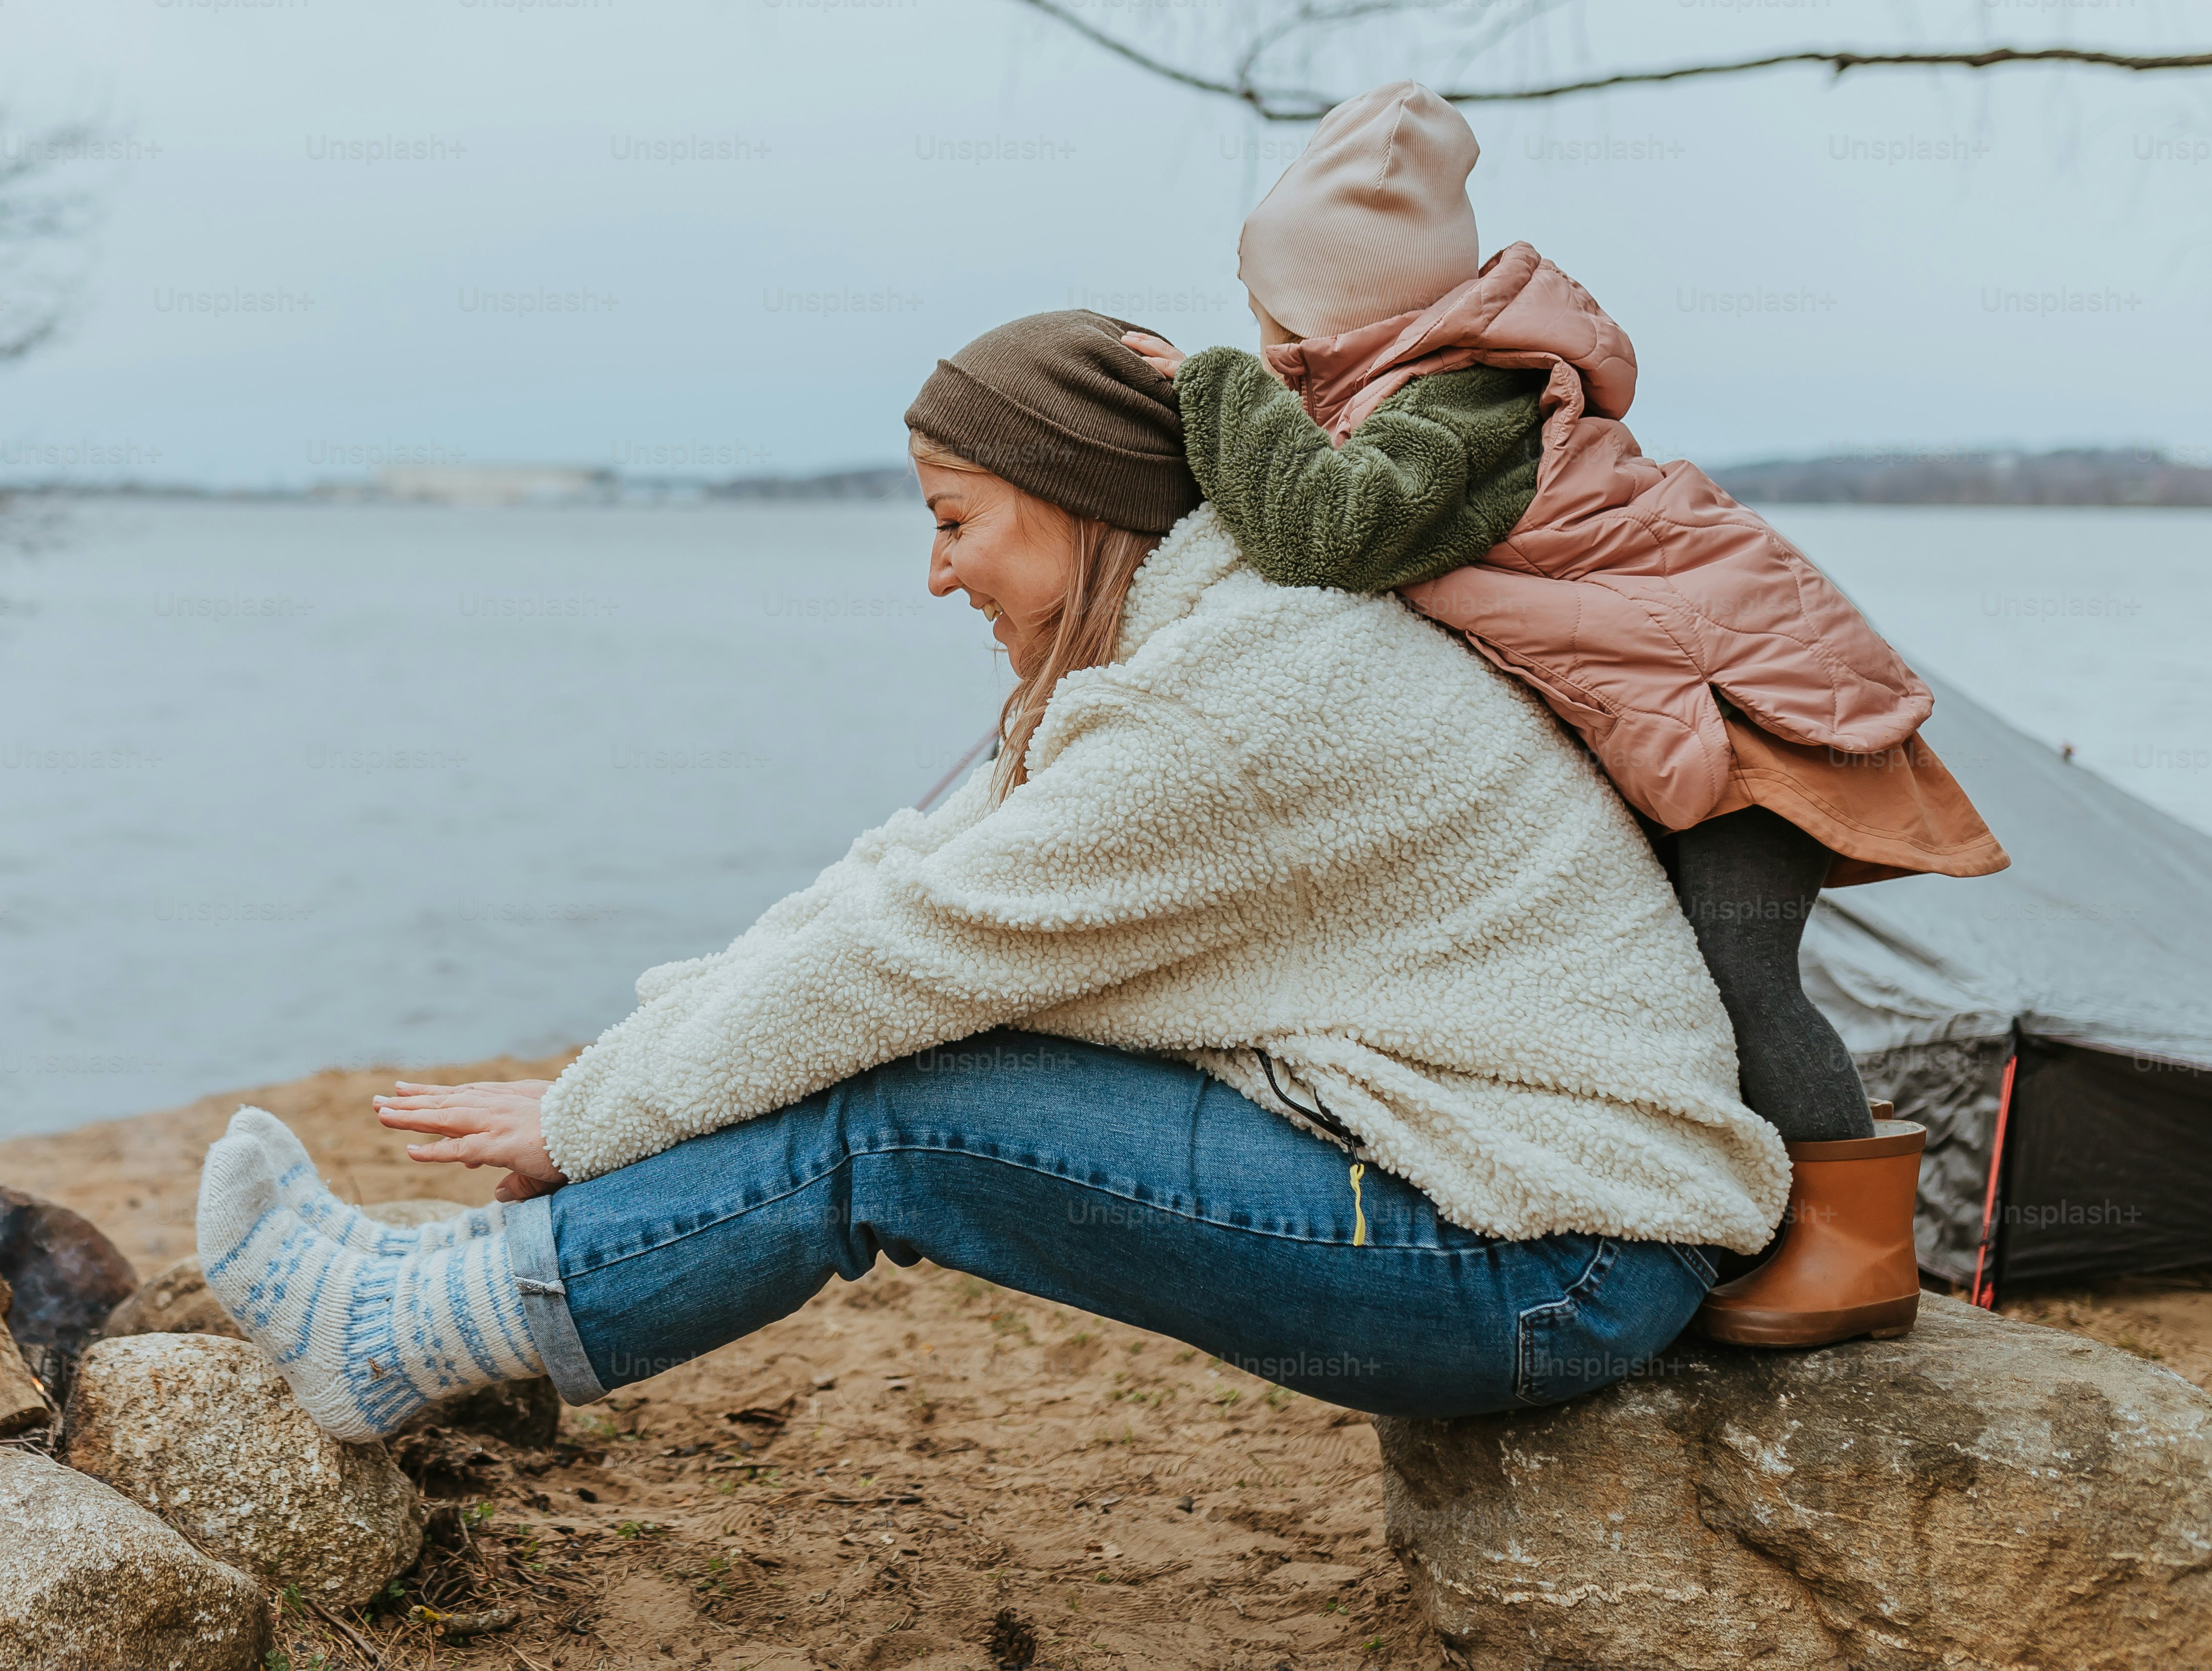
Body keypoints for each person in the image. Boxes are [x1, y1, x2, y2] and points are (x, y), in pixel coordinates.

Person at [195, 312, 1791, 1443]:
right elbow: (897, 876)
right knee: (870, 1058)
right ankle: (448, 1290)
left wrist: (588, 1115)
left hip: (1544, 1262)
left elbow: (904, 955)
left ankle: (412, 1331)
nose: (936, 568)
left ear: (1081, 495)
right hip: (1471, 1189)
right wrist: (618, 1078)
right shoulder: (1196, 643)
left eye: (957, 518)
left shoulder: (1236, 703)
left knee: (896, 1116)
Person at [1113, 82, 2001, 1349]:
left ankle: (1850, 1255)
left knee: (1740, 971)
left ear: (1336, 311)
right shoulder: (1418, 398)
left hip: (1750, 713)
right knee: (1684, 971)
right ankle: (1744, 1223)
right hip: (1699, 705)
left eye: (1266, 316)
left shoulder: (1461, 403)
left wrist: (1212, 389)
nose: (1257, 345)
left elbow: (1329, 532)